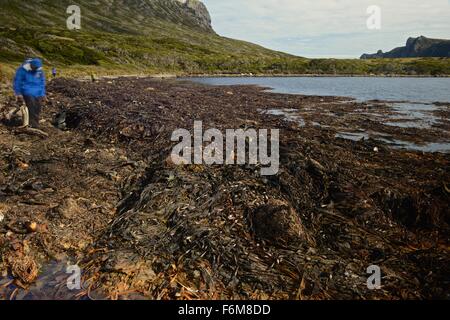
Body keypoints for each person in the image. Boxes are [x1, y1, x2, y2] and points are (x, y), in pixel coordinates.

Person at [13, 58, 46, 129]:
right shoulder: (22, 70)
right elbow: (17, 82)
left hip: (38, 92)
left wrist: (43, 94)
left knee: (38, 107)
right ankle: (32, 124)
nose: (35, 69)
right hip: (27, 91)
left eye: (36, 68)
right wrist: (18, 93)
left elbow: (42, 83)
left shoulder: (39, 71)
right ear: (31, 65)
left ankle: (35, 122)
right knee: (31, 106)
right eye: (34, 67)